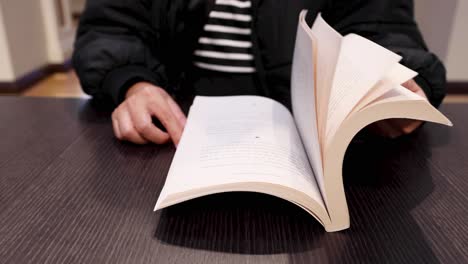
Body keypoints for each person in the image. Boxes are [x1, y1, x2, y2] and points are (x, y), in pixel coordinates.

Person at [73, 0, 446, 146]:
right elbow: (111, 26)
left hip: (317, 141)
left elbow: (382, 26)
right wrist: (133, 83)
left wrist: (394, 80)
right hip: (174, 134)